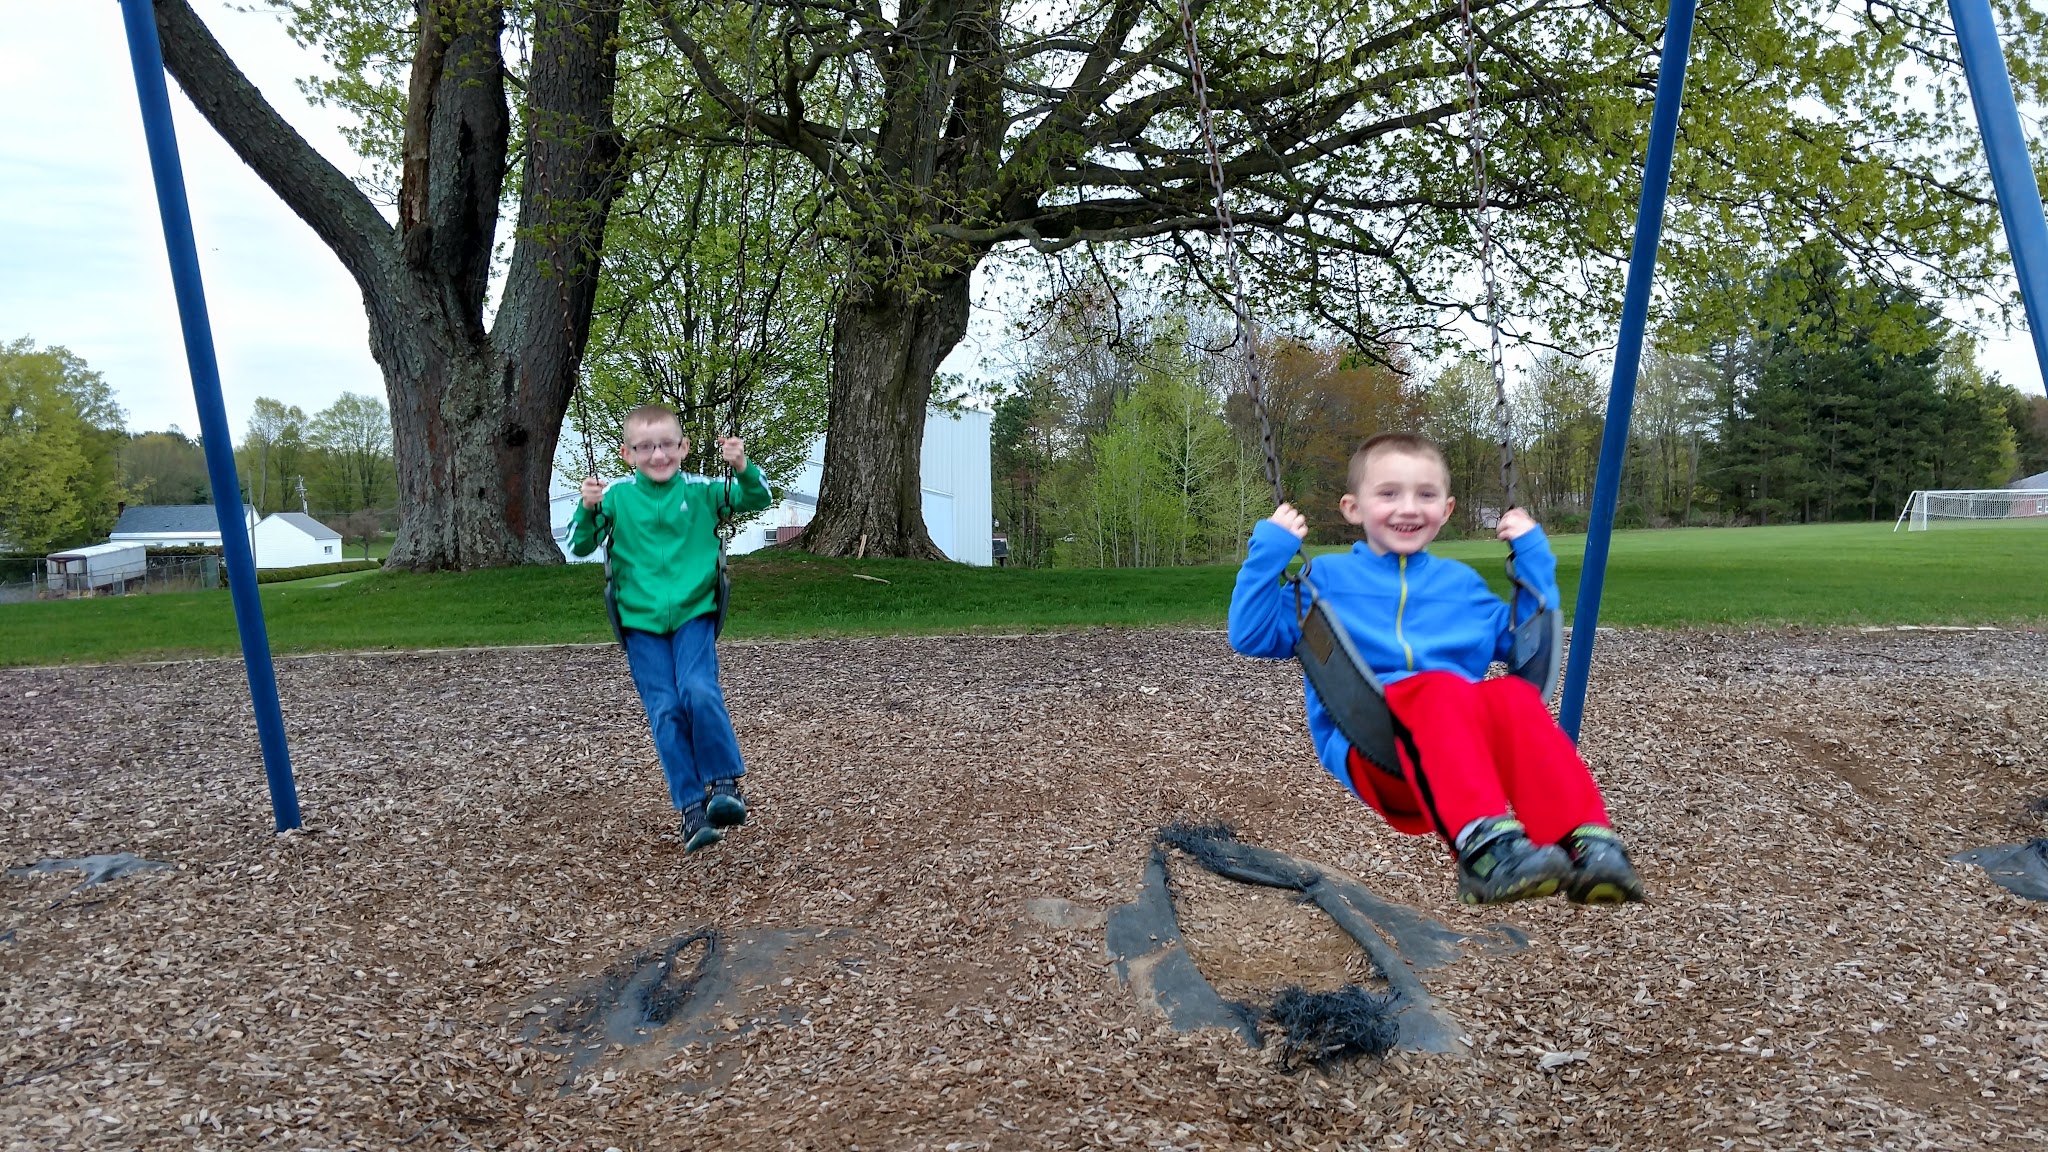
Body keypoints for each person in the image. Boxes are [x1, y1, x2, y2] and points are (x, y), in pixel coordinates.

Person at [1228, 432, 1644, 906]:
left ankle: (1583, 843)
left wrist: (1532, 558)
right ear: (1353, 508)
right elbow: (1251, 634)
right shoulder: (1323, 581)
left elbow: (1529, 643)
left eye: (1425, 495)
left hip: (1463, 761)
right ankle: (1485, 853)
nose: (1408, 508)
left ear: (1446, 510)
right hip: (1375, 747)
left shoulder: (1461, 586)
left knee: (1513, 695)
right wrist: (1270, 551)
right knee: (1439, 687)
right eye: (1388, 493)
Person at [569, 404, 773, 852]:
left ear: (684, 447)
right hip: (640, 623)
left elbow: (759, 499)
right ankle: (692, 811)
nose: (658, 455)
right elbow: (580, 544)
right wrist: (587, 508)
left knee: (698, 690)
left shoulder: (703, 491)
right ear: (627, 454)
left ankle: (725, 785)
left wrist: (741, 466)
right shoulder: (616, 497)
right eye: (645, 447)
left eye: (666, 445)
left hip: (693, 612)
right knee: (665, 709)